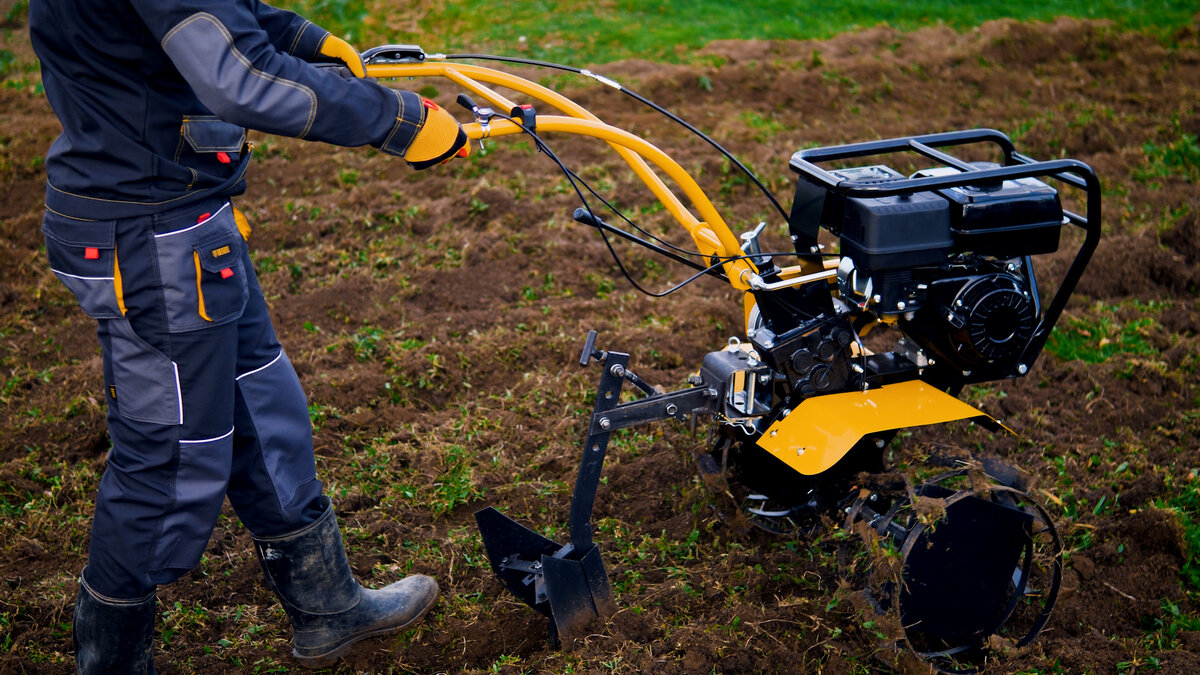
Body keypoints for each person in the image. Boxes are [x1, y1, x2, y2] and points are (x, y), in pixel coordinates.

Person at [29, 1, 469, 672]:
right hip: (149, 235)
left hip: (183, 218)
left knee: (264, 405)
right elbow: (237, 76)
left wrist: (304, 37)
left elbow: (218, 14)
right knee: (168, 460)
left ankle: (328, 605)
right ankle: (112, 661)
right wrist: (398, 121)